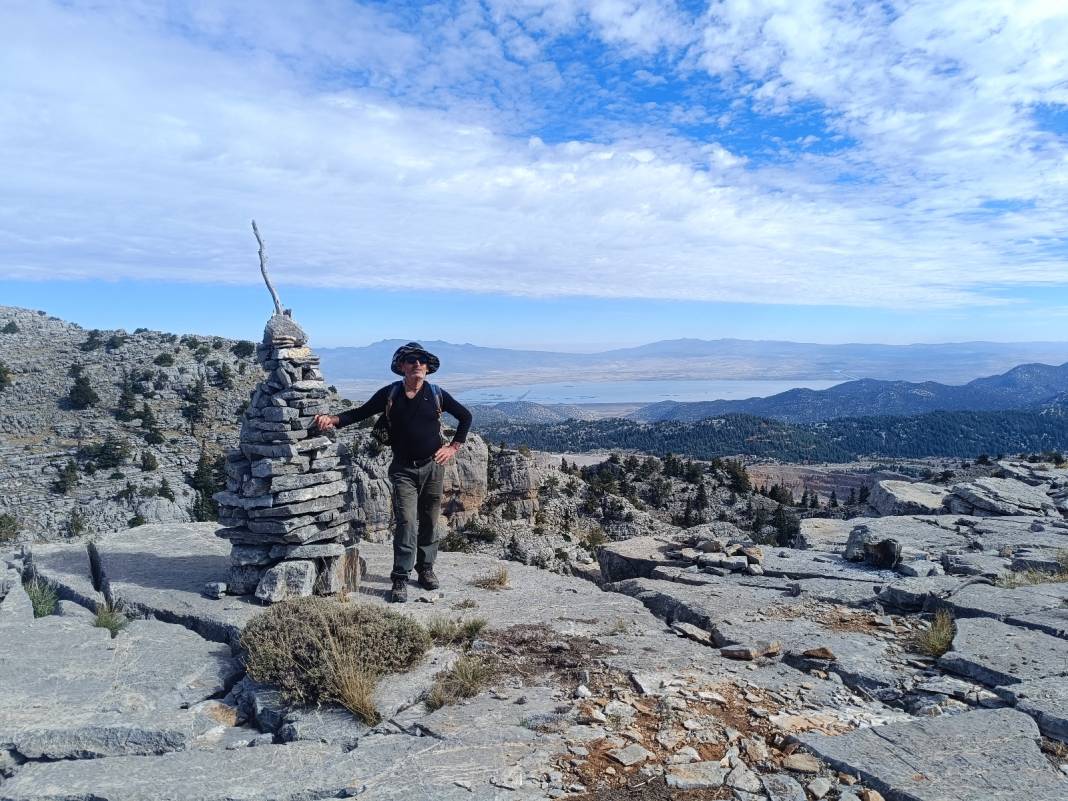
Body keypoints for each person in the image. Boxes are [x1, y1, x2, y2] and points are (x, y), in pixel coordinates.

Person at [314, 342, 472, 603]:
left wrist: (453, 447)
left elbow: (465, 417)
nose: (417, 364)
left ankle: (426, 569)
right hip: (403, 470)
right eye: (411, 360)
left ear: (428, 367)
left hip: (433, 467)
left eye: (422, 360)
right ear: (401, 367)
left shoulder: (436, 393)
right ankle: (400, 576)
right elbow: (360, 413)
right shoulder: (391, 393)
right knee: (407, 522)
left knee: (431, 520)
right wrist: (332, 420)